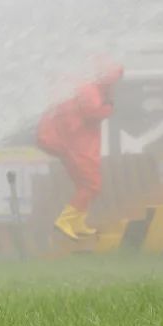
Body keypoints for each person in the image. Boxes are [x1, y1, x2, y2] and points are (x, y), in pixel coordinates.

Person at [37, 65, 124, 240]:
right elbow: (93, 112)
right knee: (92, 184)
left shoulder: (77, 86)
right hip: (79, 144)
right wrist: (108, 105)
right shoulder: (89, 89)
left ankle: (77, 223)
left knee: (84, 185)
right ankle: (65, 221)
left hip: (73, 143)